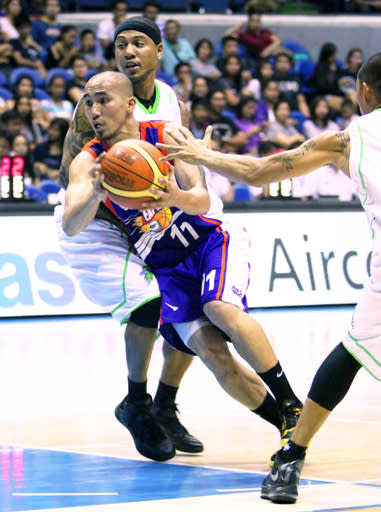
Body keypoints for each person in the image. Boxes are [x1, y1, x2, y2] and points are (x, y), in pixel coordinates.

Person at [158, 50, 381, 504]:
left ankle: (291, 456)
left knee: (349, 356)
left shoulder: (346, 139)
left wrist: (203, 155)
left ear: (363, 91)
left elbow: (261, 171)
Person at [59, 69, 304, 461]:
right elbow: (71, 225)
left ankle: (292, 402)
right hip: (166, 266)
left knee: (219, 307)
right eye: (89, 101)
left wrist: (174, 194)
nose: (94, 109)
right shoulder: (88, 162)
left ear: (130, 104)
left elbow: (203, 201)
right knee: (212, 355)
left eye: (103, 99)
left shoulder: (167, 135)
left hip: (209, 241)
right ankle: (290, 429)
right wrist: (96, 194)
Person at [58, 16, 205, 461]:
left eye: (139, 43)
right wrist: (122, 189)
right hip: (100, 220)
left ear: (159, 52)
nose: (128, 51)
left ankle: (165, 402)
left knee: (193, 295)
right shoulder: (95, 109)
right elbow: (72, 177)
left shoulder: (171, 103)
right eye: (121, 44)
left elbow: (180, 164)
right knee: (148, 302)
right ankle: (136, 403)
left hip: (149, 212)